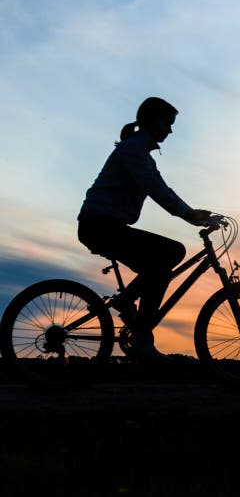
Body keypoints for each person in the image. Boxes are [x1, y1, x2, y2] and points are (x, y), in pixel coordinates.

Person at [77, 97, 211, 361]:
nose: (170, 131)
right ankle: (141, 339)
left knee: (163, 260)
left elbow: (165, 189)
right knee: (169, 254)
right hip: (100, 225)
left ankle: (128, 308)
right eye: (167, 123)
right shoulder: (133, 151)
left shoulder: (143, 156)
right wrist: (187, 215)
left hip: (106, 225)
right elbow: (155, 189)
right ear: (151, 120)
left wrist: (192, 212)